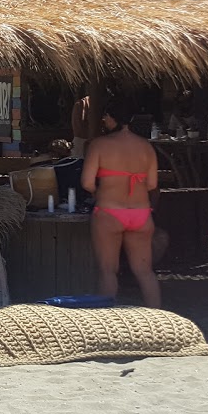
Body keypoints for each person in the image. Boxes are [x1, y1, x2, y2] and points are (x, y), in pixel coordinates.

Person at [81, 101, 161, 308]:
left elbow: (87, 182)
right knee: (145, 272)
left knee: (108, 270)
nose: (104, 120)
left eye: (106, 116)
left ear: (113, 117)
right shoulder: (146, 146)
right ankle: (159, 322)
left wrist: (101, 192)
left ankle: (107, 324)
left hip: (110, 212)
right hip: (141, 213)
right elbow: (152, 184)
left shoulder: (99, 145)